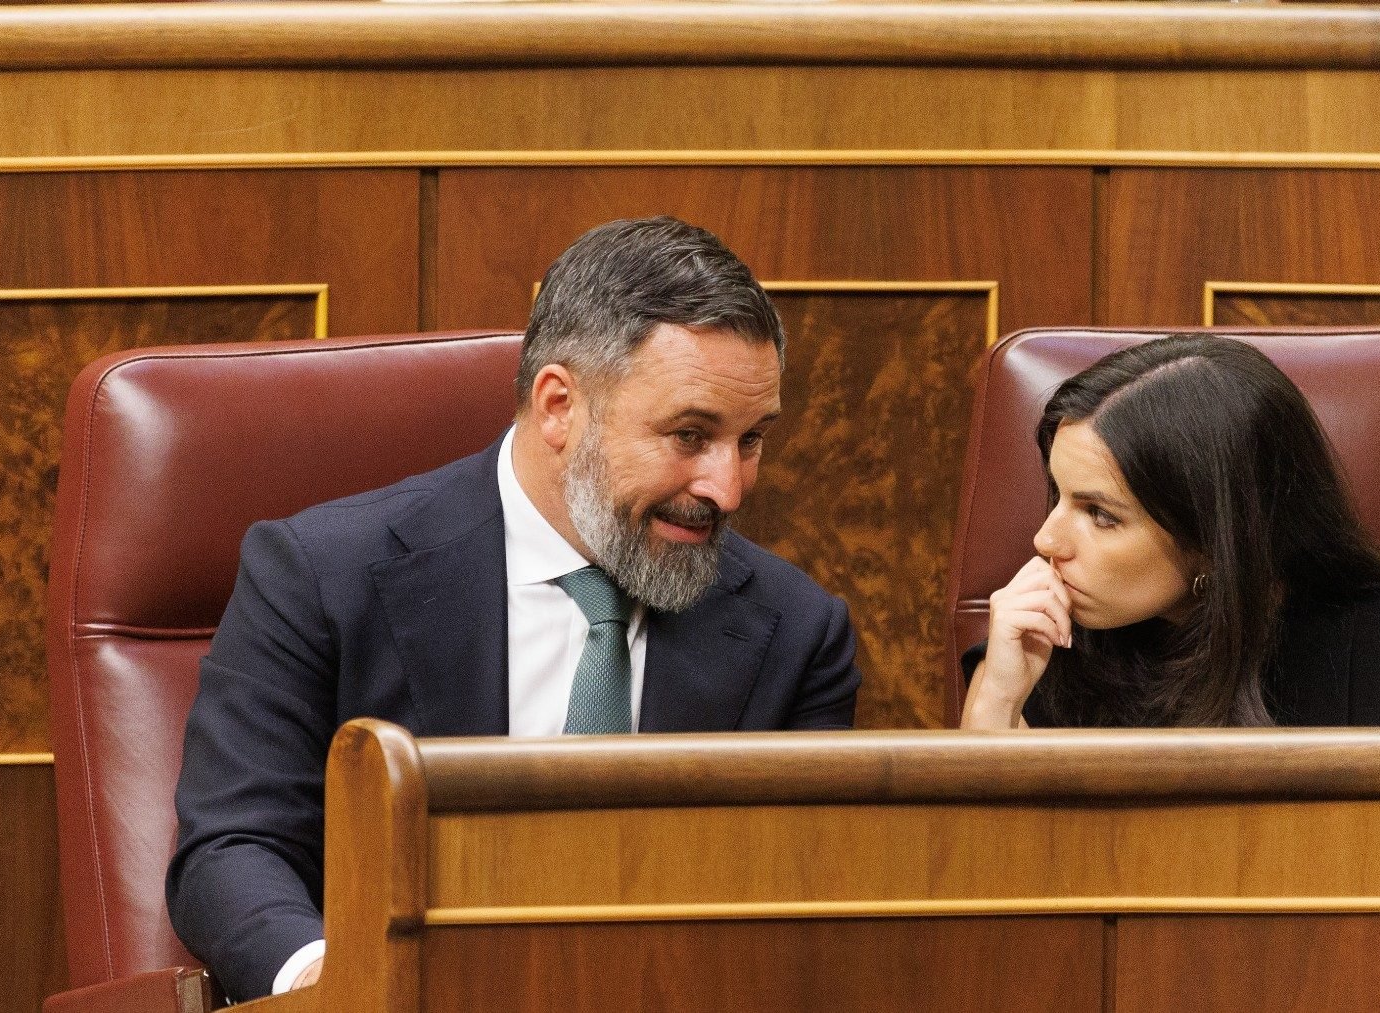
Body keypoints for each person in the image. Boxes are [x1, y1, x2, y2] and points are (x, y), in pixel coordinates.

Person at [167, 216, 862, 1002]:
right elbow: (231, 848)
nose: (726, 488)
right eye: (690, 434)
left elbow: (802, 920)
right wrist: (341, 988)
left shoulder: (797, 633)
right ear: (560, 405)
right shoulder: (322, 577)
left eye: (751, 440)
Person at [960, 334, 1380, 730]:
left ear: (1217, 541)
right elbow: (972, 870)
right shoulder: (1035, 645)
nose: (1046, 542)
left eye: (1101, 514)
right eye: (1059, 494)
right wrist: (996, 707)